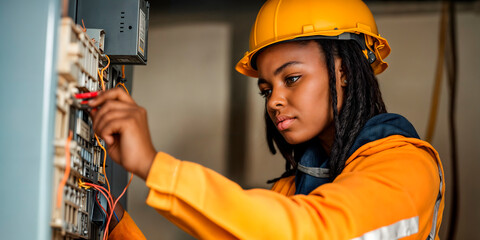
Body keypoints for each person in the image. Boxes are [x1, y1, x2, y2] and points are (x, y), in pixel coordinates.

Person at [89, 0, 445, 239]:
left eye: (291, 79)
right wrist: (112, 223)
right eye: (266, 89)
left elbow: (315, 231)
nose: (274, 100)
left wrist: (155, 166)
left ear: (344, 72)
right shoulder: (291, 190)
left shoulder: (407, 170)